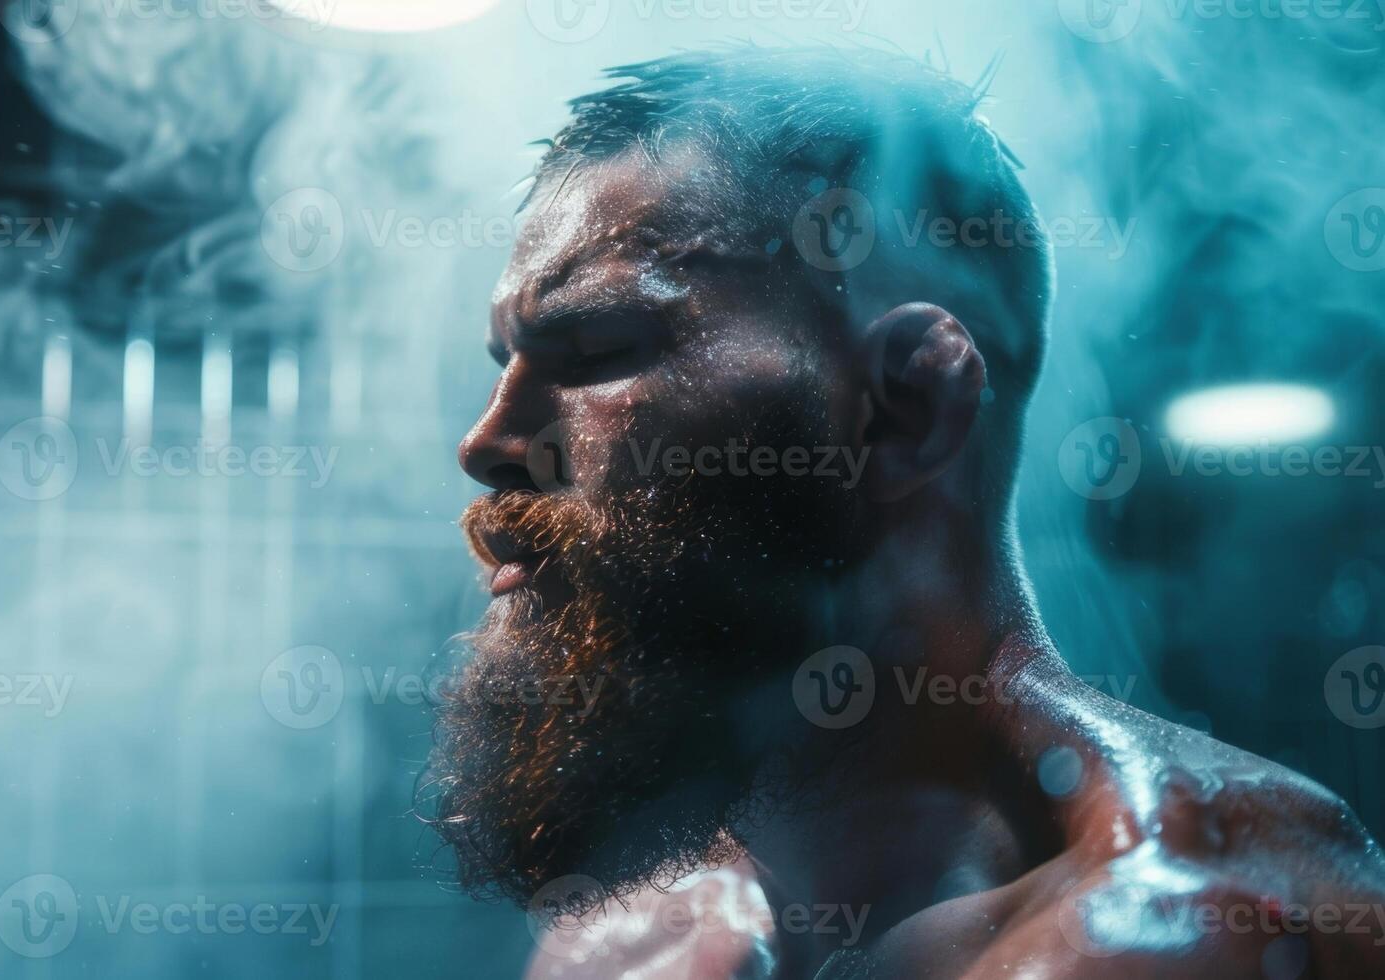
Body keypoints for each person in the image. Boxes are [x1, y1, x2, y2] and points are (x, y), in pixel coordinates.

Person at [421, 45, 1385, 978]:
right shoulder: (622, 947)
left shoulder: (1173, 932)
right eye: (505, 363)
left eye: (593, 346)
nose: (485, 442)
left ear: (903, 408)